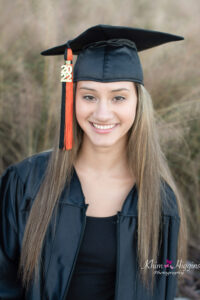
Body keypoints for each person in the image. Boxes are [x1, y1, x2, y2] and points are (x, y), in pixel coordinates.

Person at [0, 24, 187, 300]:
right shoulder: (25, 183)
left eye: (119, 97)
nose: (102, 113)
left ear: (138, 103)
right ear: (71, 98)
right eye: (89, 96)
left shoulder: (159, 200)